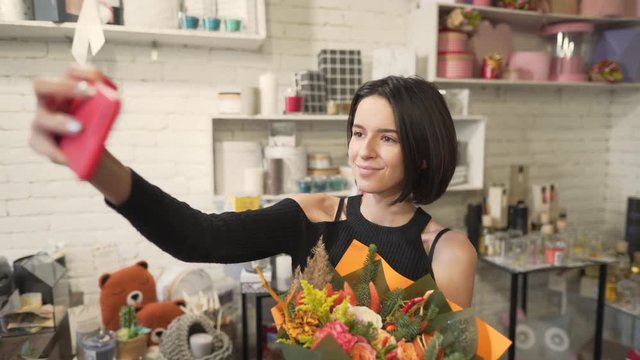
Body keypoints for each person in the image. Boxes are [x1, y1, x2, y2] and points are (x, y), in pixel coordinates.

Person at [30, 65, 477, 307]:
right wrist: (96, 165)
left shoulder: (447, 251)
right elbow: (197, 236)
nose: (364, 151)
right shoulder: (317, 214)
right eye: (359, 133)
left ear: (421, 152)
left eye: (388, 138)